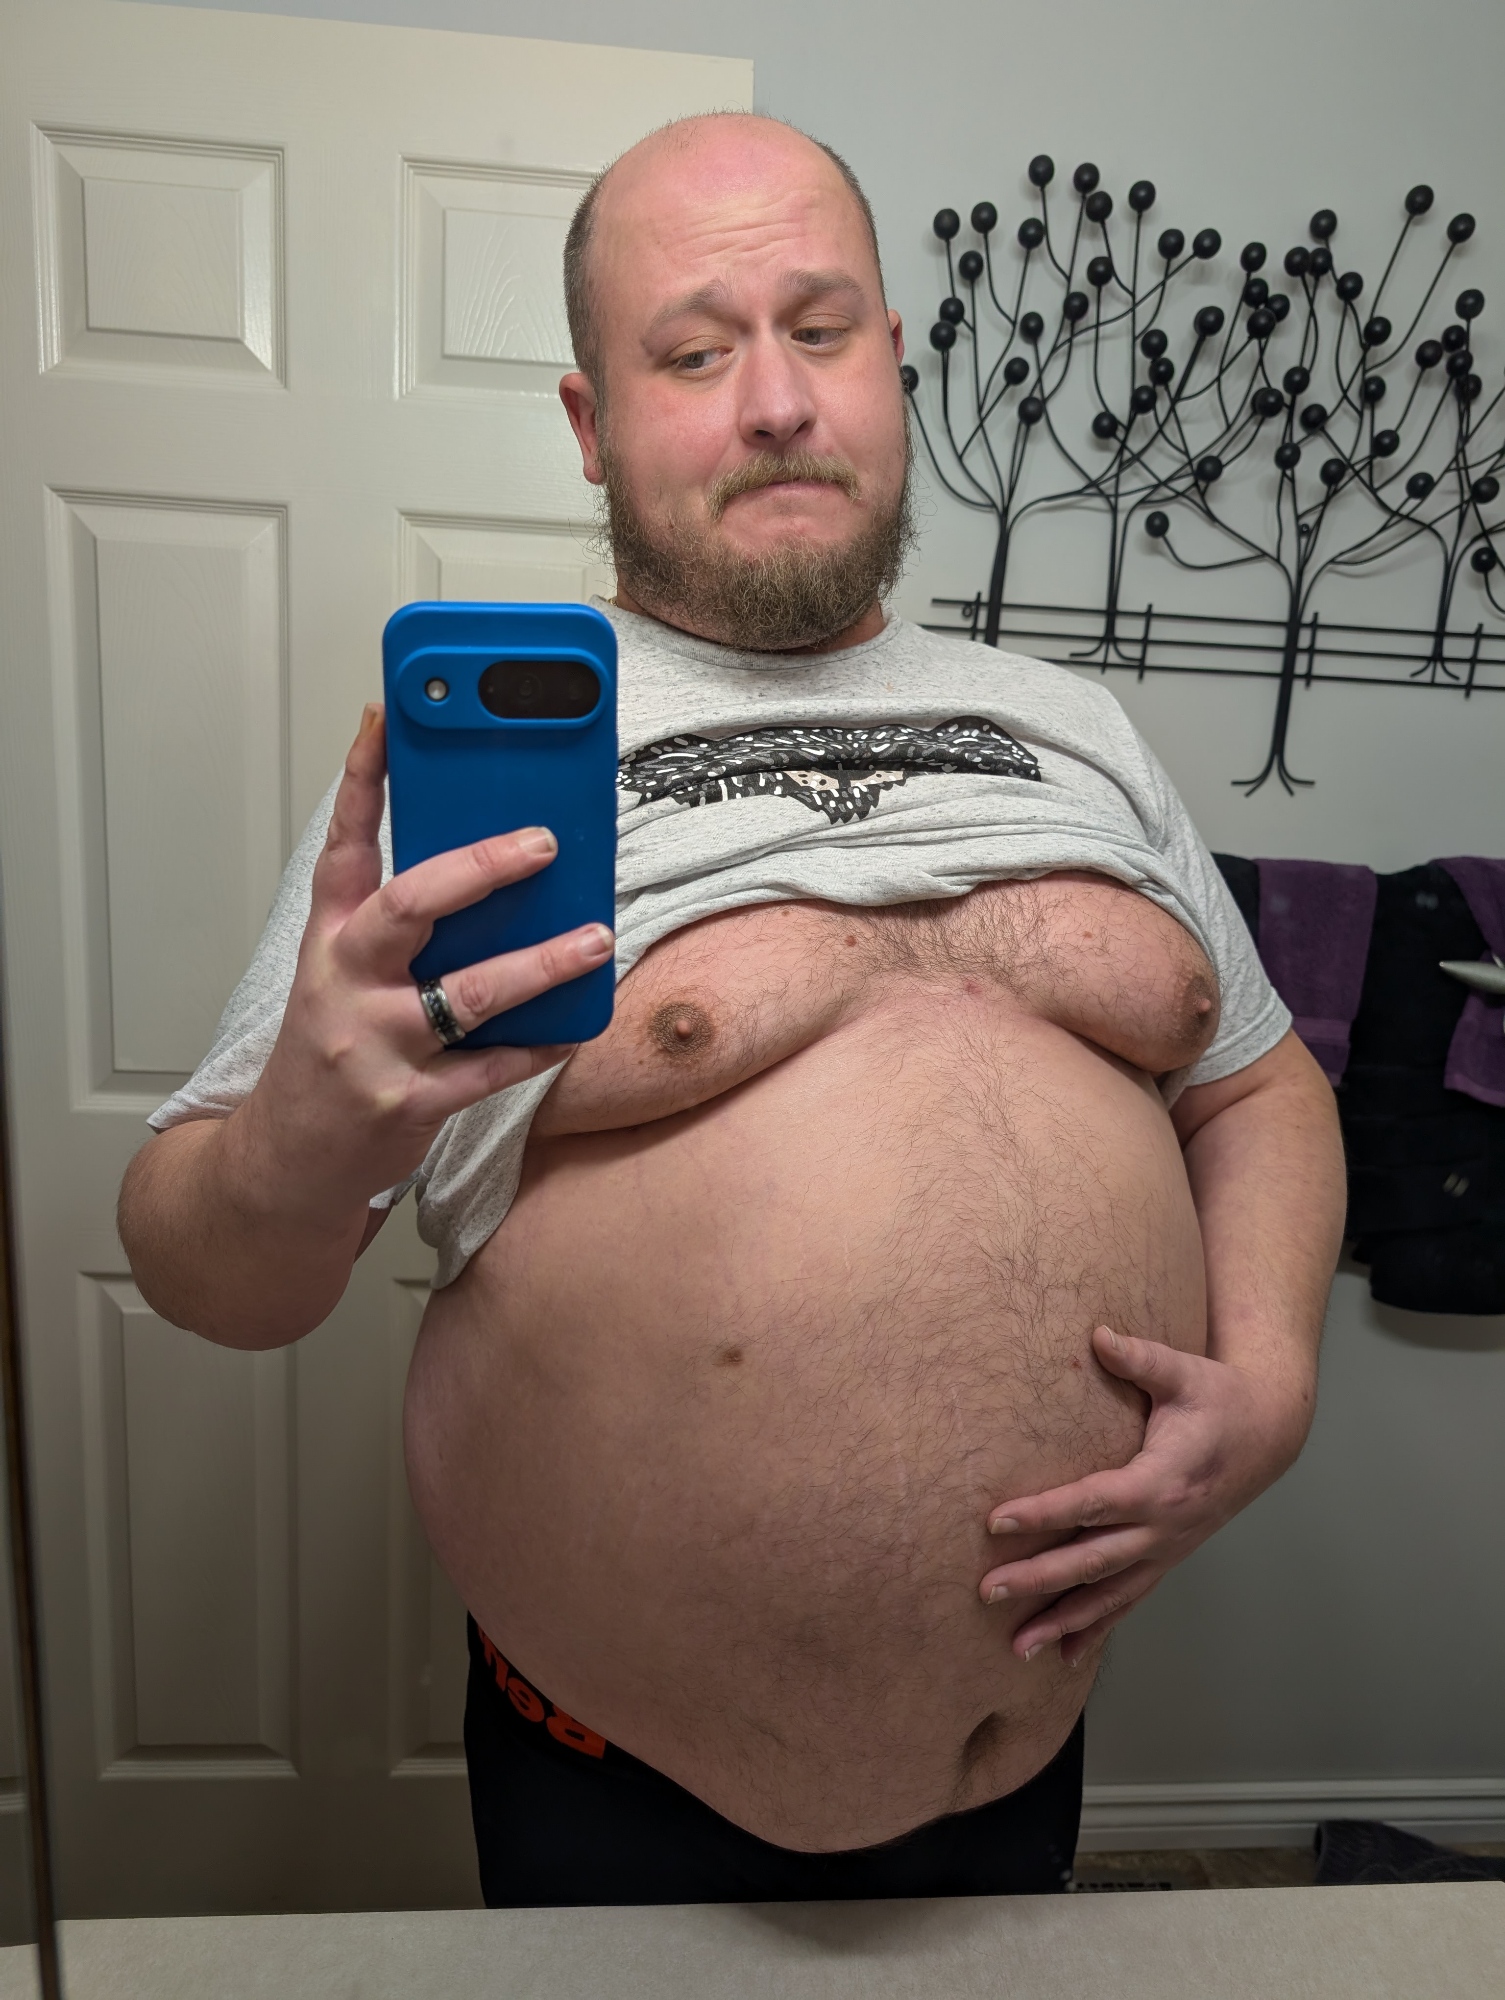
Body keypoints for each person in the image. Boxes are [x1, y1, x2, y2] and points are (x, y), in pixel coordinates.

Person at [119, 113, 1346, 1906]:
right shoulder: (465, 784)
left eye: (820, 330)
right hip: (618, 1793)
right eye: (693, 355)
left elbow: (1253, 1083)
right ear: (590, 422)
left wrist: (1276, 1388)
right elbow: (207, 1273)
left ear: (891, 362)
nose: (775, 401)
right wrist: (295, 1145)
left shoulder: (1072, 724)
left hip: (1025, 1754)